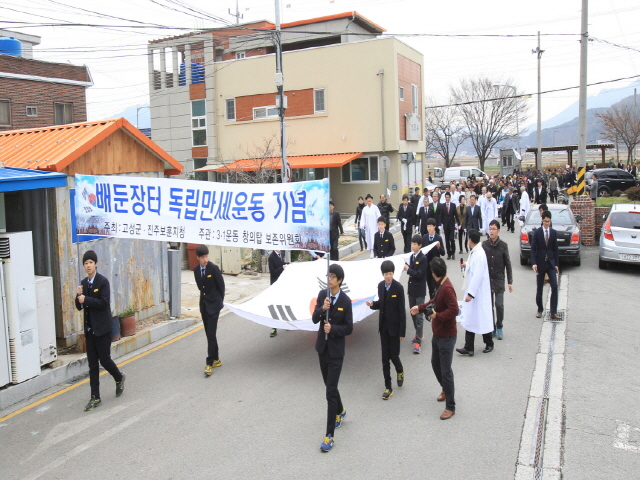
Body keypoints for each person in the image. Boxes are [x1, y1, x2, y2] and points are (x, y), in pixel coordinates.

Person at [75, 250, 125, 411]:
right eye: (85, 263)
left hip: (102, 329)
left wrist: (86, 299)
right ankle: (95, 397)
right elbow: (80, 306)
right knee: (92, 365)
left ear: (96, 264)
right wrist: (78, 297)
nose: (88, 265)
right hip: (90, 331)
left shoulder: (103, 282)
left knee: (105, 360)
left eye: (90, 262)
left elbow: (104, 302)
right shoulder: (84, 283)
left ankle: (118, 377)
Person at [410, 257, 458, 420]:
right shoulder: (440, 285)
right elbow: (433, 301)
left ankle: (450, 406)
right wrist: (421, 308)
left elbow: (454, 310)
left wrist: (438, 315)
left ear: (434, 273)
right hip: (438, 334)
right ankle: (445, 388)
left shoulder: (447, 288)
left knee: (446, 370)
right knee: (435, 363)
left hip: (447, 335)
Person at [312, 264, 353, 452]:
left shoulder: (345, 301)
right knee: (330, 386)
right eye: (329, 275)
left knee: (330, 392)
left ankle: (329, 436)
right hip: (323, 349)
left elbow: (349, 328)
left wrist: (333, 329)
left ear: (340, 281)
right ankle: (341, 410)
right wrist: (322, 308)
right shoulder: (323, 295)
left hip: (336, 352)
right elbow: (314, 318)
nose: (330, 279)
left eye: (333, 276)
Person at [366, 260, 406, 400]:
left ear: (393, 273)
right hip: (383, 328)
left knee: (394, 356)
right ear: (382, 274)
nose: (388, 276)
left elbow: (402, 311)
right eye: (386, 274)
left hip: (395, 329)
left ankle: (400, 369)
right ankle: (388, 387)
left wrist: (402, 332)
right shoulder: (380, 286)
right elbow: (380, 304)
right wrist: (372, 304)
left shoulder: (398, 288)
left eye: (390, 273)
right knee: (384, 358)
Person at [456, 229, 494, 356]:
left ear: (470, 240)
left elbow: (478, 275)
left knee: (481, 317)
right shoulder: (475, 252)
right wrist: (465, 265)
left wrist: (470, 294)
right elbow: (473, 266)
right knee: (470, 317)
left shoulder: (479, 254)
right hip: (474, 292)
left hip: (478, 293)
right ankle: (469, 347)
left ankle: (489, 343)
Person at [194, 244, 225, 376]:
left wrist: (219, 302)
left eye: (206, 256)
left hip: (214, 306)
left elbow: (221, 286)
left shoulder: (213, 268)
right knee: (209, 334)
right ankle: (216, 358)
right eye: (202, 257)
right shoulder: (196, 270)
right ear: (198, 258)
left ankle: (209, 362)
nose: (205, 259)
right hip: (204, 306)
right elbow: (201, 288)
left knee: (211, 334)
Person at [482, 220, 513, 340]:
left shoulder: (503, 246)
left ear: (498, 231)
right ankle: (491, 327)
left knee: (499, 305)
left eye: (494, 229)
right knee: (489, 306)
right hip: (487, 280)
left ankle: (499, 325)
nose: (491, 231)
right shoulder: (484, 245)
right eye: (490, 229)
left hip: (499, 279)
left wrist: (510, 282)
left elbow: (508, 264)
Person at [531, 211, 560, 319]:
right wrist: (534, 263)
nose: (547, 223)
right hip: (540, 263)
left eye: (548, 221)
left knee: (554, 286)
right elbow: (533, 249)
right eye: (545, 221)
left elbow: (555, 249)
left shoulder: (553, 232)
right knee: (539, 288)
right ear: (542, 221)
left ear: (550, 221)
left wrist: (556, 264)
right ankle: (539, 309)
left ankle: (553, 311)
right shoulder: (537, 233)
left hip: (551, 263)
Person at [404, 234, 428, 354]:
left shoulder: (423, 259)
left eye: (415, 244)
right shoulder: (412, 257)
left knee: (419, 315)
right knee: (412, 313)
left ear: (420, 245)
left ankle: (418, 340)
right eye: (412, 244)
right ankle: (419, 333)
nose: (413, 246)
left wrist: (408, 269)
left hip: (419, 291)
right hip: (412, 290)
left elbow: (419, 274)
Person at [422, 218, 445, 298]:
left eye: (431, 226)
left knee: (436, 286)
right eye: (428, 226)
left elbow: (443, 253)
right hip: (427, 266)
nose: (429, 228)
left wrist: (439, 247)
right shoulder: (424, 237)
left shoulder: (438, 238)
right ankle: (432, 301)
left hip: (435, 267)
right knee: (429, 286)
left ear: (434, 227)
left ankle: (436, 301)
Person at [268, 249, 288, 337]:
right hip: (275, 284)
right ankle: (274, 327)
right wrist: (282, 267)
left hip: (282, 283)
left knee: (284, 303)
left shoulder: (282, 254)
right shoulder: (271, 257)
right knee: (275, 306)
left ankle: (286, 323)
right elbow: (273, 272)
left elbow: (282, 263)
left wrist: (287, 264)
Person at [440, 192, 460, 260]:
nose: (447, 199)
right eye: (446, 197)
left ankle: (453, 252)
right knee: (447, 240)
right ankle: (448, 254)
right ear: (445, 198)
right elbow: (441, 215)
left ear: (450, 198)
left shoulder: (453, 205)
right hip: (445, 225)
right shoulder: (442, 206)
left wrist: (458, 223)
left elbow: (456, 215)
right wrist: (441, 224)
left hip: (452, 225)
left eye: (448, 197)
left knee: (452, 239)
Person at [362, 194, 382, 259]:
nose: (369, 201)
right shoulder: (364, 209)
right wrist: (362, 225)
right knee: (369, 239)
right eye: (368, 200)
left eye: (370, 200)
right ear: (366, 201)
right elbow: (363, 218)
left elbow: (378, 216)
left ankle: (375, 251)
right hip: (368, 227)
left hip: (374, 226)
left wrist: (379, 224)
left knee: (374, 239)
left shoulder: (375, 208)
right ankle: (371, 251)